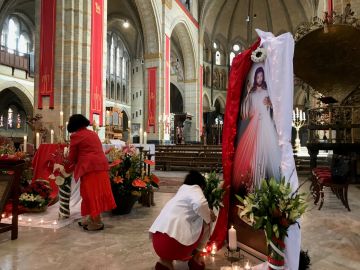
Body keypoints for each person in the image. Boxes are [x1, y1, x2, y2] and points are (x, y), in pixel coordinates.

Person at [149, 170, 216, 270]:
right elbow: (200, 204)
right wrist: (209, 214)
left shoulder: (181, 191)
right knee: (207, 220)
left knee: (195, 218)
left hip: (158, 243)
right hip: (176, 245)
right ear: (201, 185)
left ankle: (165, 262)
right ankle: (196, 259)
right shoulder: (195, 188)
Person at [232, 66, 281, 192]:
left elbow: (276, 106)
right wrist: (248, 93)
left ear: (264, 77)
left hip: (266, 125)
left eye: (261, 76)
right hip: (254, 125)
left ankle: (263, 186)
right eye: (258, 76)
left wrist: (271, 103)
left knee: (265, 154)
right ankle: (254, 185)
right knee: (254, 155)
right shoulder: (252, 93)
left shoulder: (267, 92)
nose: (259, 78)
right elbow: (245, 113)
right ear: (255, 78)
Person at [66, 114, 116, 231]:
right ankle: (91, 218)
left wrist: (65, 167)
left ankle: (97, 222)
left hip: (90, 168)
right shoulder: (92, 133)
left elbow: (72, 157)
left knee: (90, 194)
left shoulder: (76, 136)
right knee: (91, 193)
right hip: (100, 166)